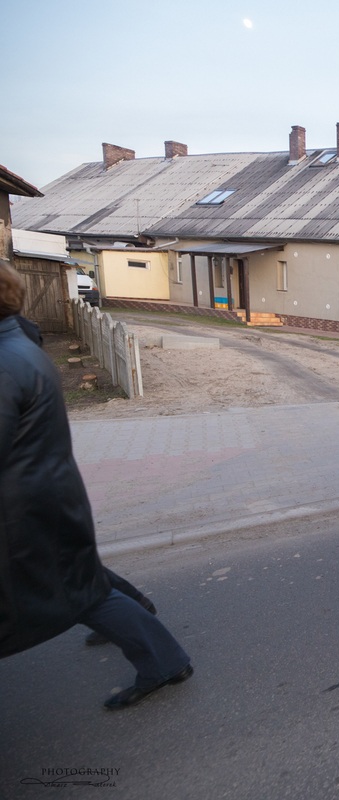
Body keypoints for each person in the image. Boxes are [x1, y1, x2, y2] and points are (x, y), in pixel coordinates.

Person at [0, 262, 193, 710]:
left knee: (81, 592)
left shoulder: (7, 362)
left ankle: (163, 660)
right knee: (80, 580)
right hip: (43, 496)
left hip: (26, 508)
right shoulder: (19, 345)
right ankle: (149, 631)